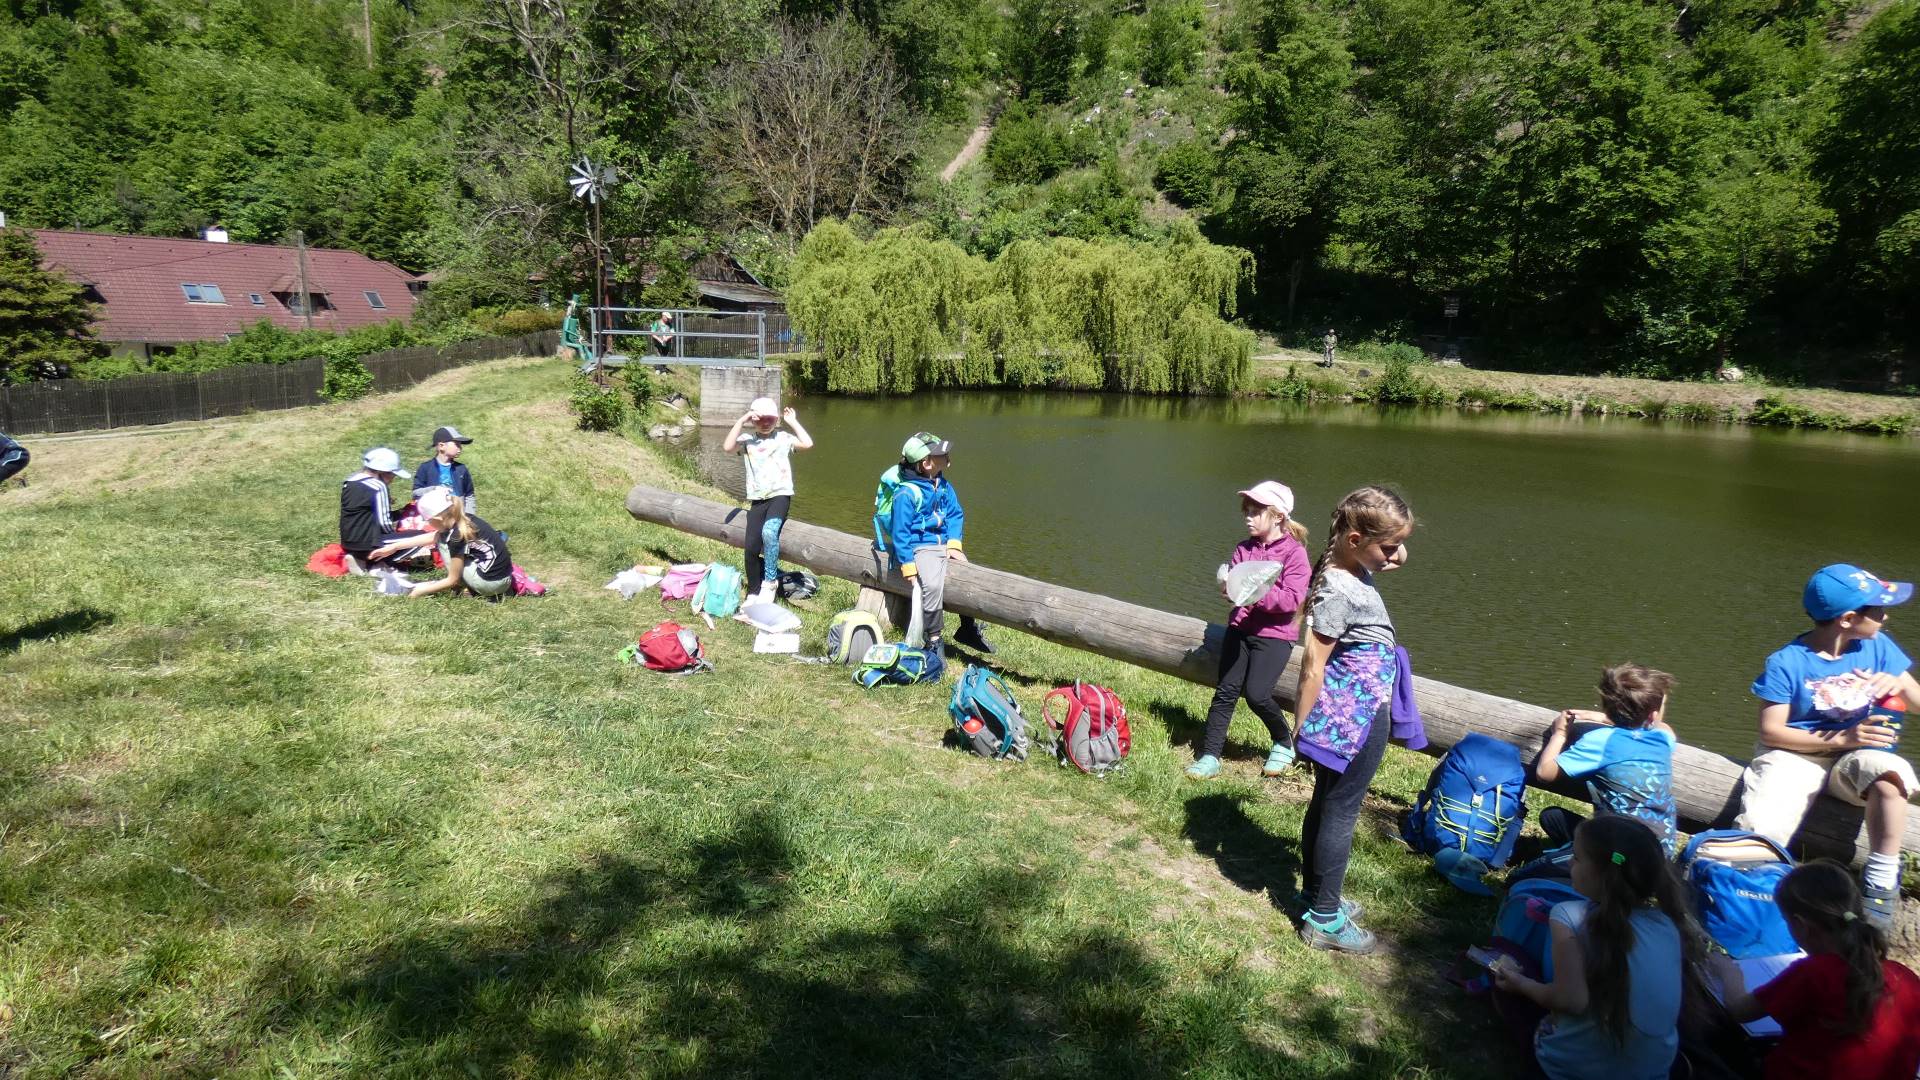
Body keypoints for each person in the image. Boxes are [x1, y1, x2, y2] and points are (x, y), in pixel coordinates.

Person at [1734, 563, 1919, 929]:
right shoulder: (1787, 661)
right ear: (1847, 619)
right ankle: (1749, 897)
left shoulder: (1878, 646)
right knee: (1764, 821)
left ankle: (1881, 881)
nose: (1885, 617)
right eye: (1877, 610)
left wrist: (1898, 685)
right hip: (1794, 753)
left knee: (1892, 774)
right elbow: (1771, 732)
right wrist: (1842, 738)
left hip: (1855, 755)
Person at [1292, 485, 1413, 953]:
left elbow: (1393, 554)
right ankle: (1325, 919)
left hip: (1353, 707)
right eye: (1389, 547)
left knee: (1328, 802)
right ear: (1356, 539)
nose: (1396, 557)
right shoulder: (1340, 589)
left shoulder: (1348, 564)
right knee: (1341, 810)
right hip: (1356, 715)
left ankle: (1316, 894)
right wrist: (1300, 728)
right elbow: (1312, 667)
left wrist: (1388, 545)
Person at [1492, 815, 1696, 1080]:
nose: (1569, 863)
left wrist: (1520, 984)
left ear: (1603, 873)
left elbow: (1571, 1001)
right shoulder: (1667, 924)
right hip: (1654, 1073)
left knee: (1508, 973)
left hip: (1569, 1070)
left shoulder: (1568, 914)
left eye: (1576, 858)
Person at [1710, 860, 1920, 1080]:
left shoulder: (1815, 972)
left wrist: (1728, 972)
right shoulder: (1906, 978)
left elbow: (1739, 1011)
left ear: (1802, 926)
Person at [1187, 480, 1312, 780]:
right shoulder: (1244, 549)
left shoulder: (1295, 554)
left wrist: (1254, 595)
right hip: (1240, 628)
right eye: (1247, 511)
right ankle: (1210, 756)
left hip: (1275, 636)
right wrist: (1229, 590)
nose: (1248, 517)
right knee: (1225, 692)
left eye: (1256, 512)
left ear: (1278, 516)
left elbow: (1292, 600)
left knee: (1257, 694)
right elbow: (1237, 586)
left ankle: (1284, 741)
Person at [1532, 664, 1679, 856]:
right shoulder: (1663, 738)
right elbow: (1663, 726)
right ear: (1652, 716)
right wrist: (1605, 718)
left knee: (1528, 870)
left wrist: (1559, 734)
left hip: (1621, 853)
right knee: (1553, 818)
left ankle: (1587, 861)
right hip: (1661, 851)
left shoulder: (1601, 741)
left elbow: (1544, 773)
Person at [887, 431, 994, 675]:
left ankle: (967, 627)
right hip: (921, 546)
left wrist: (954, 545)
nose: (948, 457)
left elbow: (955, 514)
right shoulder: (906, 493)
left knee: (967, 574)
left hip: (943, 544)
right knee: (932, 586)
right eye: (942, 455)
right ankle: (934, 639)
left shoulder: (943, 485)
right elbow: (900, 532)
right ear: (926, 463)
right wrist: (908, 564)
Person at [722, 397, 813, 605]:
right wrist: (742, 419)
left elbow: (808, 443)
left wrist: (793, 421)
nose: (765, 423)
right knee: (751, 548)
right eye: (759, 419)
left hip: (780, 495)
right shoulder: (747, 441)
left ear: (776, 419)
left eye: (770, 419)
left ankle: (770, 582)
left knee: (769, 532)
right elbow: (727, 447)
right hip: (758, 499)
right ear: (753, 420)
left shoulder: (783, 438)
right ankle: (753, 593)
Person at [368, 486, 514, 598]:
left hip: (491, 585)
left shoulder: (455, 537)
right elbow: (432, 536)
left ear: (437, 518)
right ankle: (482, 588)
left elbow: (452, 579)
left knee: (443, 543)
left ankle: (467, 589)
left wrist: (419, 591)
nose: (427, 523)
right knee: (442, 538)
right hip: (504, 578)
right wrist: (394, 546)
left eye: (427, 520)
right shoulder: (463, 519)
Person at [339, 447, 426, 572]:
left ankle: (358, 558)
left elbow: (365, 515)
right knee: (422, 536)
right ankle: (380, 563)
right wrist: (394, 538)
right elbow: (384, 523)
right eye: (392, 475)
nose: (392, 479)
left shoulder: (349, 482)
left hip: (348, 542)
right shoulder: (378, 486)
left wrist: (401, 513)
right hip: (369, 543)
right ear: (382, 472)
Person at [413, 426, 477, 514]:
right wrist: (434, 489)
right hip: (434, 517)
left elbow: (469, 494)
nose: (460, 448)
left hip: (458, 516)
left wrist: (469, 515)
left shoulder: (461, 469)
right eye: (457, 445)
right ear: (441, 446)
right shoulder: (425, 468)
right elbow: (416, 493)